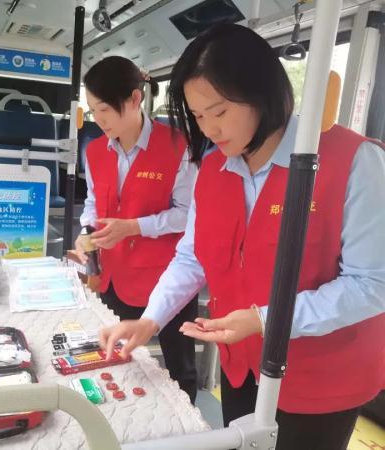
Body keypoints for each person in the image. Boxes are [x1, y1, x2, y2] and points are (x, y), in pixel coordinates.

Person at [99, 24, 385, 450]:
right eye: (198, 116)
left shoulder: (354, 161)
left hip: (321, 379)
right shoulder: (213, 170)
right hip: (241, 366)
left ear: (262, 94)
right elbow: (192, 256)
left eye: (219, 112)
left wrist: (266, 320)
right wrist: (151, 318)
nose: (209, 129)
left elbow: (372, 284)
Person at [75, 55, 199, 402]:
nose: (98, 120)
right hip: (113, 277)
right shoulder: (95, 150)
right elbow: (93, 202)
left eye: (104, 109)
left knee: (179, 368)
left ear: (134, 99)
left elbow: (187, 214)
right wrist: (85, 230)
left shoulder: (177, 146)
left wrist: (134, 227)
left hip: (167, 277)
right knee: (118, 360)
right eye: (92, 111)